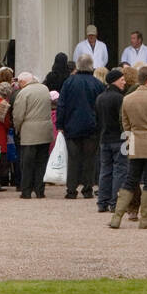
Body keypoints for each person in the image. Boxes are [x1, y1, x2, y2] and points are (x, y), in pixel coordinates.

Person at [110, 64, 147, 229]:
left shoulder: (127, 99)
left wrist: (129, 141)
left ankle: (116, 217)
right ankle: (145, 219)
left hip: (135, 142)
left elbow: (125, 124)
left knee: (130, 180)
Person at [57, 53, 102, 199]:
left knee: (73, 159)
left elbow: (61, 105)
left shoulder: (69, 82)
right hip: (92, 126)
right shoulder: (97, 84)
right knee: (90, 159)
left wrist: (60, 124)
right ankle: (87, 189)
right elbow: (100, 107)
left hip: (72, 125)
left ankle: (71, 189)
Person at [12, 71, 54, 198]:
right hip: (45, 130)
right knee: (41, 162)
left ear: (22, 82)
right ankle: (40, 190)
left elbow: (18, 115)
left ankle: (26, 191)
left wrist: (17, 129)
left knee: (27, 163)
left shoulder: (23, 93)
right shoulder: (45, 89)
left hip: (29, 132)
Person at [95, 68, 130, 212]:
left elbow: (98, 120)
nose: (124, 82)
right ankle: (115, 202)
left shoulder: (100, 97)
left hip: (104, 139)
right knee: (120, 170)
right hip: (120, 139)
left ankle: (102, 201)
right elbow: (124, 121)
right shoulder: (120, 98)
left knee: (105, 170)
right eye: (122, 80)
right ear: (115, 81)